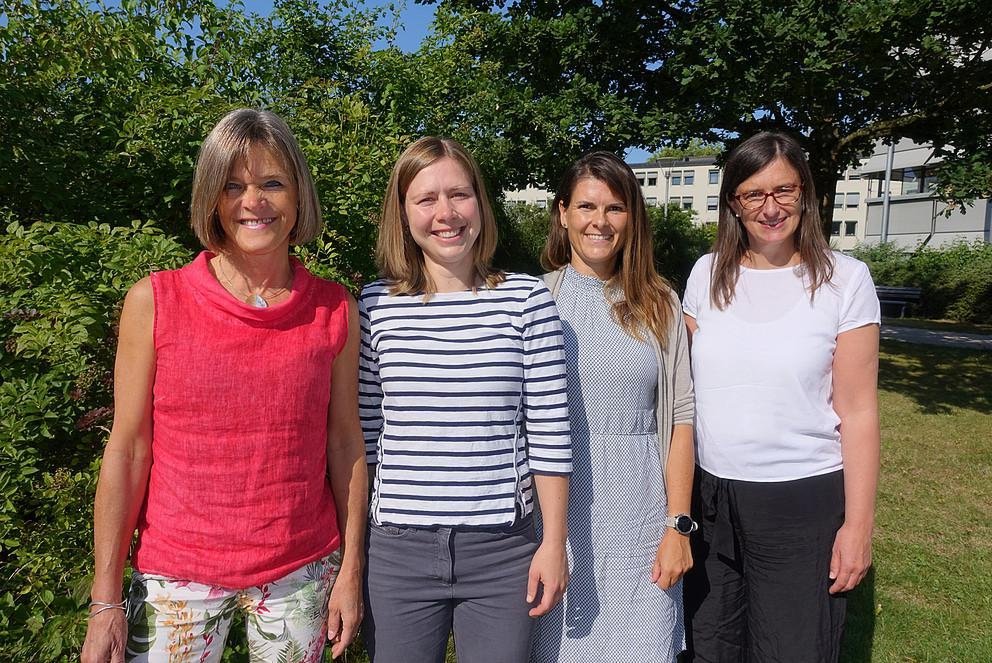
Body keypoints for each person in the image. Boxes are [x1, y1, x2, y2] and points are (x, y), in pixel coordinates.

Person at [80, 109, 367, 663]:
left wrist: (352, 567)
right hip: (176, 578)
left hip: (301, 573)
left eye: (272, 183)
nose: (252, 201)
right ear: (211, 198)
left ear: (298, 195)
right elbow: (129, 449)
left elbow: (345, 444)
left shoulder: (335, 308)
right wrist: (105, 600)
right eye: (233, 185)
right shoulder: (156, 301)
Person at [358, 136, 572, 663]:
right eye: (426, 199)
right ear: (402, 212)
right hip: (397, 552)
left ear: (481, 202)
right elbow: (362, 436)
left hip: (502, 553)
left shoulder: (526, 299)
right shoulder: (374, 306)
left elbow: (549, 430)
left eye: (459, 194)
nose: (446, 213)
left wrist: (552, 542)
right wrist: (353, 553)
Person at [681, 131, 881, 662]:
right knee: (712, 645)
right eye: (753, 194)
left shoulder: (846, 280)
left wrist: (858, 528)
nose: (770, 208)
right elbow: (683, 391)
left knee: (793, 648)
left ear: (805, 195)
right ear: (733, 204)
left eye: (784, 191)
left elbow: (859, 412)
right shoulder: (706, 275)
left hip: (799, 499)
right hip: (712, 498)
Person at [529, 151, 696, 662]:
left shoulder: (659, 302)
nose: (600, 222)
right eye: (586, 206)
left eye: (615, 208)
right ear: (562, 213)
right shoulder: (534, 299)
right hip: (556, 515)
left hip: (640, 515)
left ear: (632, 217)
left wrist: (678, 524)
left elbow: (681, 419)